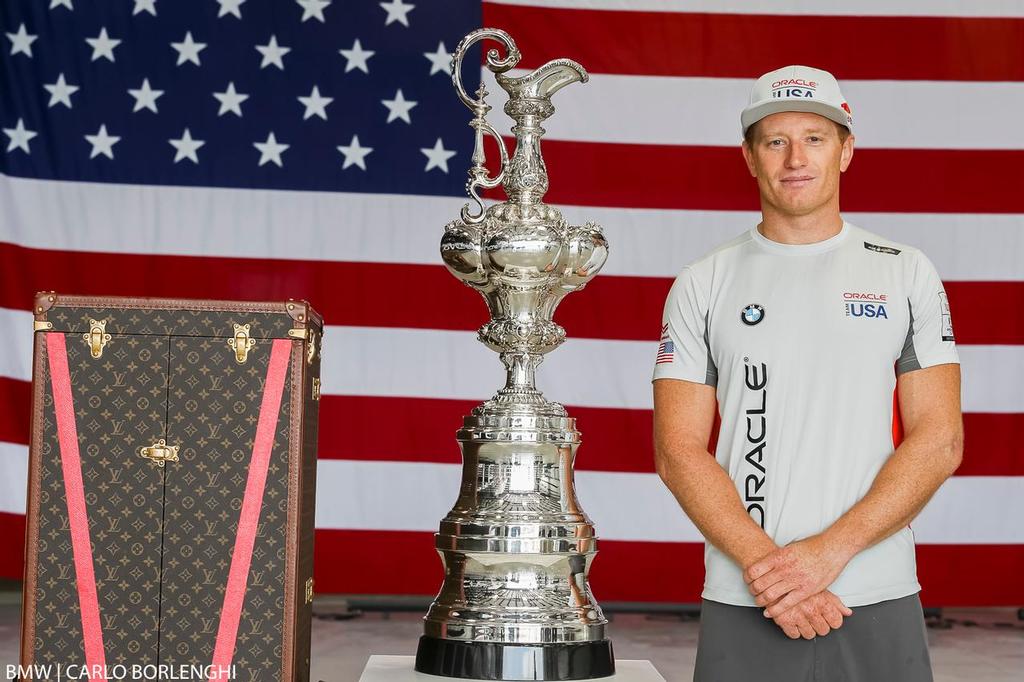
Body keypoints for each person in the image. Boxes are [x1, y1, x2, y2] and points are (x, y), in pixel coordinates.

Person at [651, 65, 963, 681]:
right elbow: (677, 449)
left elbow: (940, 439)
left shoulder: (905, 273)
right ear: (749, 156)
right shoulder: (705, 281)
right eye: (775, 140)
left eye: (815, 138)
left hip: (875, 590)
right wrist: (776, 573)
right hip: (748, 591)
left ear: (846, 150)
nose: (796, 157)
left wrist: (827, 555)